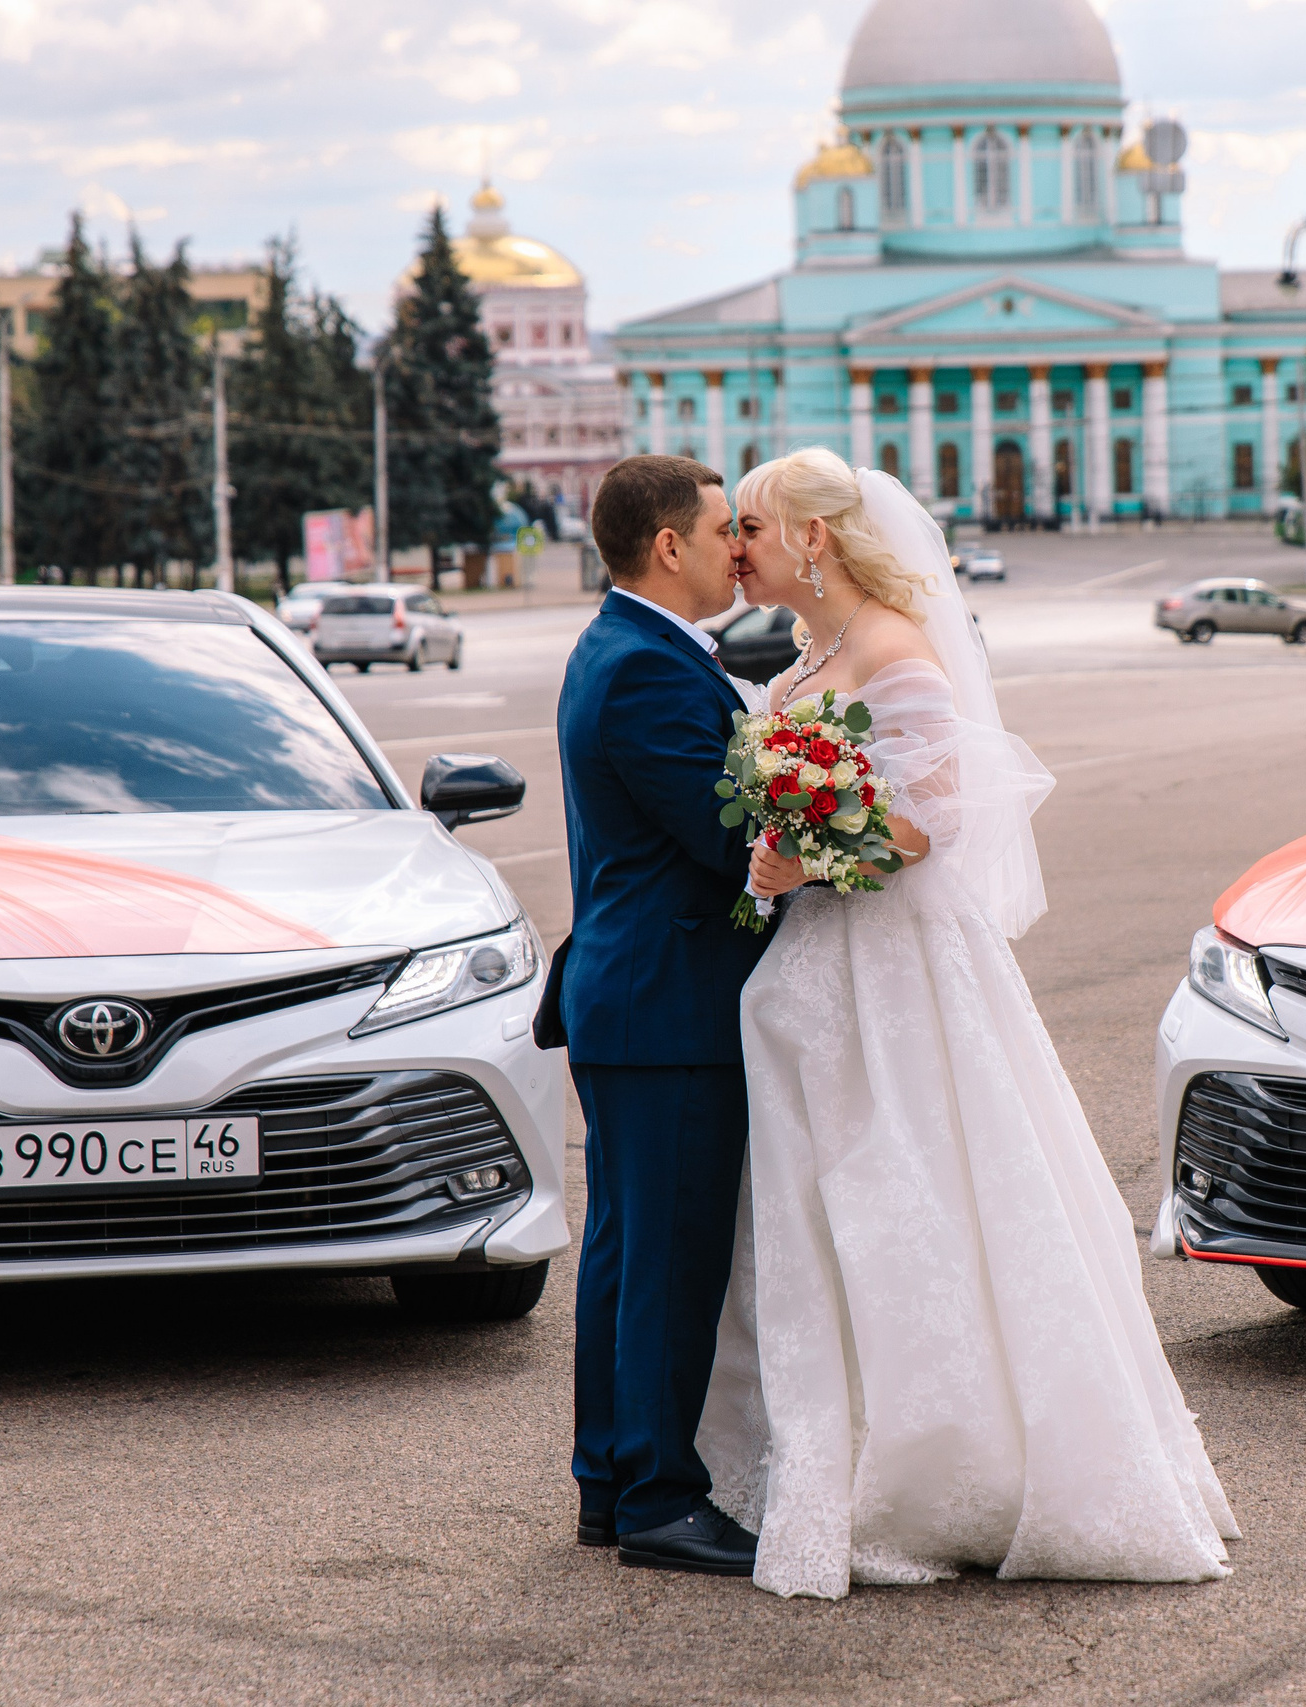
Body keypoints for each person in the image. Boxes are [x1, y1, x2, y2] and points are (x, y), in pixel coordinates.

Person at [700, 447, 1238, 1599]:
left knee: (921, 1188)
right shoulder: (813, 655)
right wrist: (779, 855)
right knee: (835, 1203)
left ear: (813, 537)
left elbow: (933, 815)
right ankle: (837, 1446)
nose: (735, 542)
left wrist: (801, 854)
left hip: (898, 969)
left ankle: (957, 1468)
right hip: (818, 971)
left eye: (751, 522)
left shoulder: (896, 649)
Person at [555, 454, 773, 1576]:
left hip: (635, 1001)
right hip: (667, 1007)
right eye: (721, 525)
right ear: (668, 547)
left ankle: (609, 1479)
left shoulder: (630, 648)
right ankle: (657, 1498)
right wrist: (844, 830)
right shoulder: (644, 667)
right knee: (666, 1263)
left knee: (628, 1255)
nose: (737, 544)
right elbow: (731, 840)